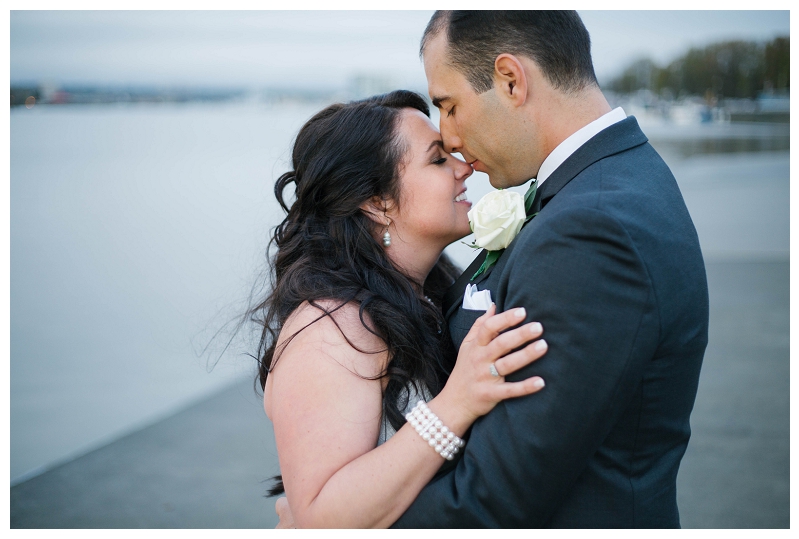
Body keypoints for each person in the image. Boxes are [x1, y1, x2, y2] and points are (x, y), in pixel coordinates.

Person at [385, 11, 709, 528]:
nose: (446, 137)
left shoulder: (590, 229)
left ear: (511, 80)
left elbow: (496, 497)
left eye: (449, 106)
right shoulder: (617, 177)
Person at [253, 90, 549, 528]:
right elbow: (320, 520)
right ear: (376, 201)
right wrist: (456, 403)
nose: (464, 167)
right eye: (437, 160)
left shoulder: (423, 292)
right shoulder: (332, 327)